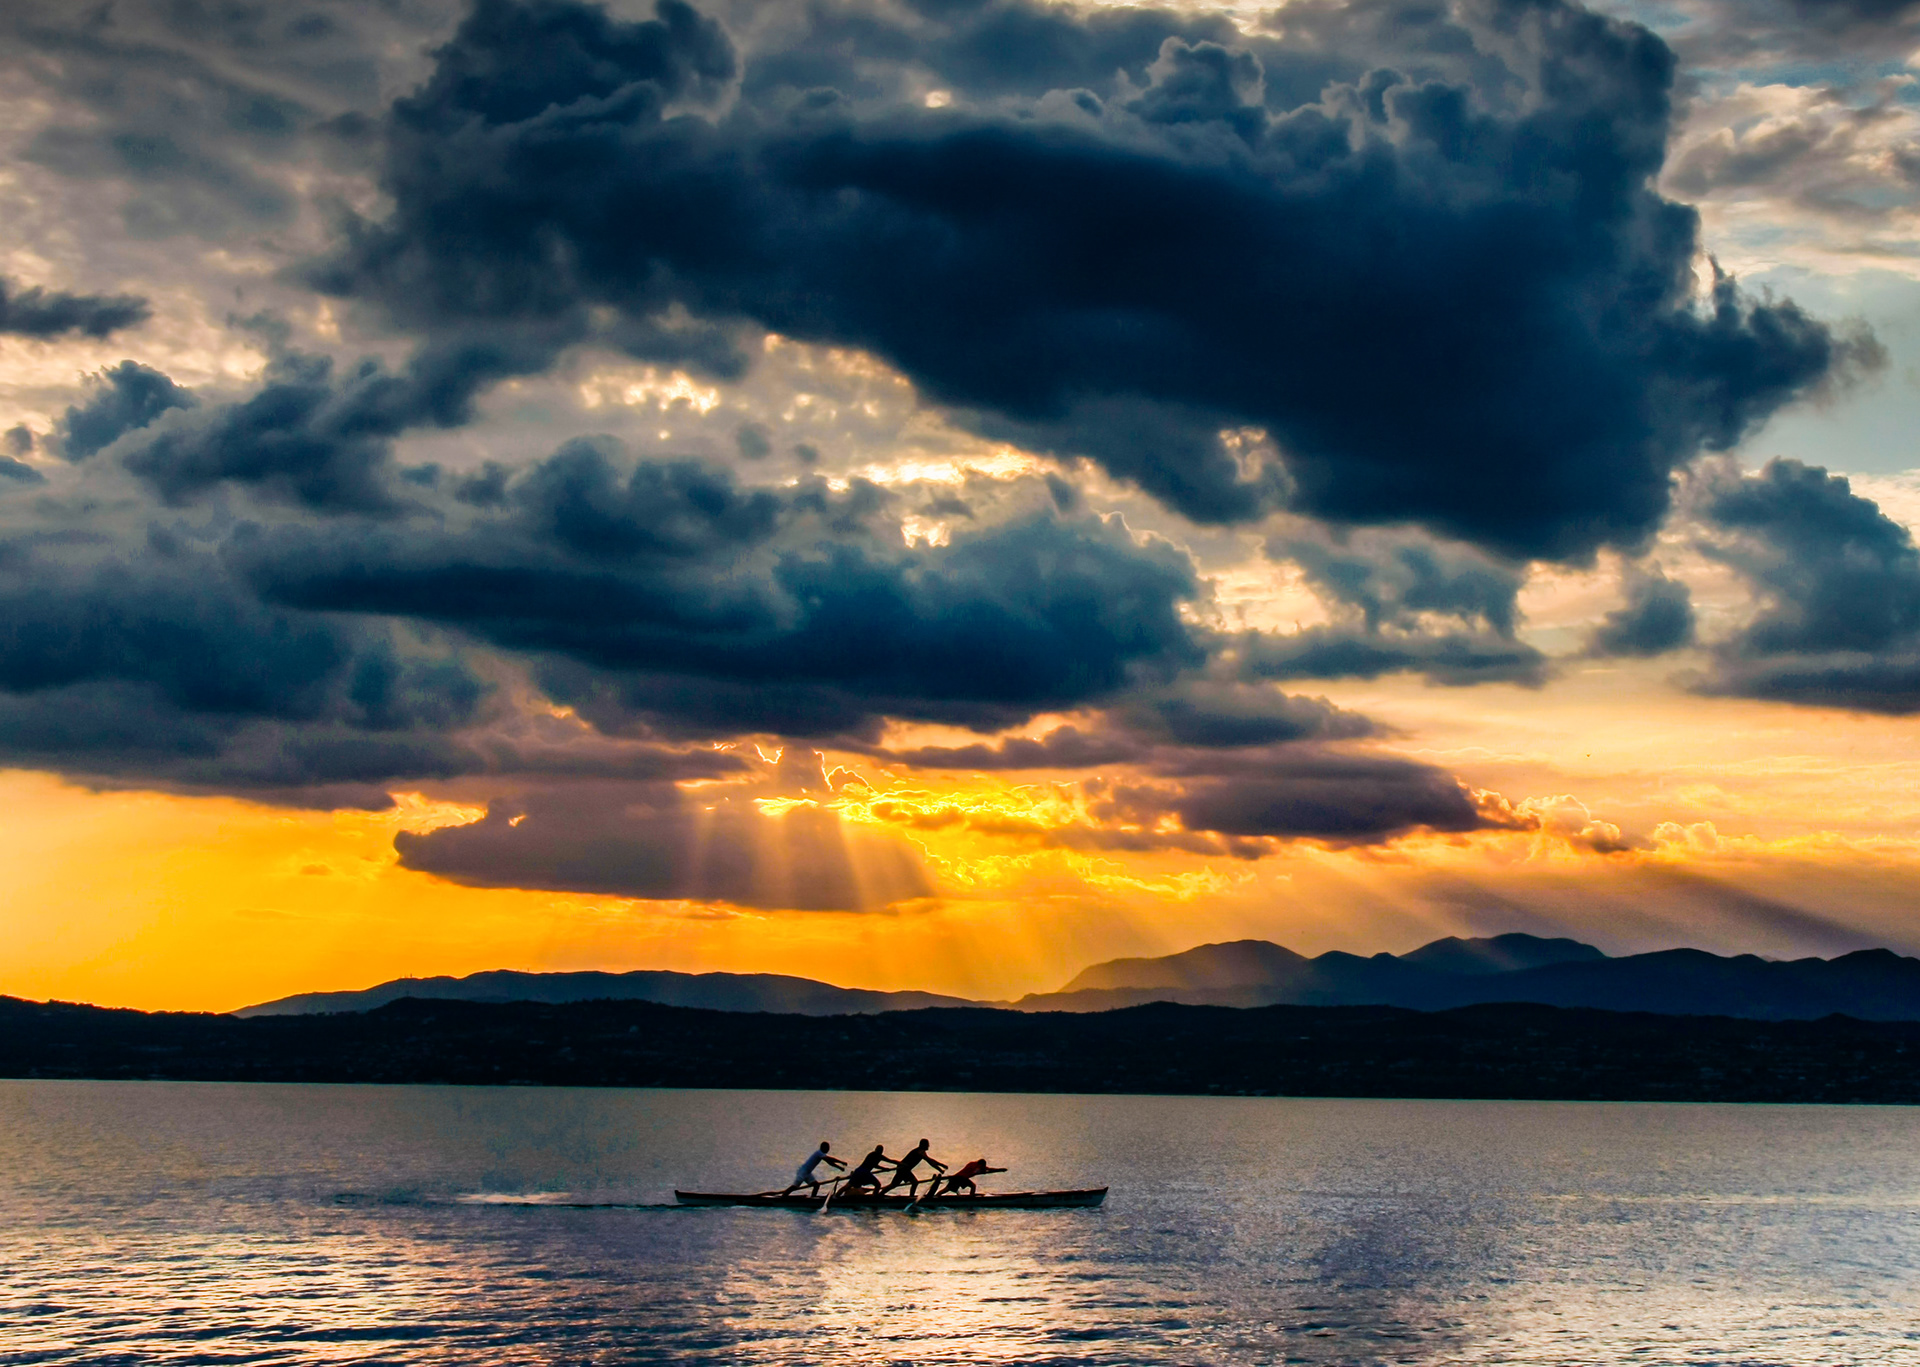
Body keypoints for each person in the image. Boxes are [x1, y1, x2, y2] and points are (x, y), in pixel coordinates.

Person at [882, 1138, 947, 1196]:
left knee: (894, 1184)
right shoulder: (920, 1152)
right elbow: (930, 1162)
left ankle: (880, 1194)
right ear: (924, 1145)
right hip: (903, 1169)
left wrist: (941, 1165)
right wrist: (940, 1169)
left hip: (904, 1169)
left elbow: (930, 1160)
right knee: (914, 1183)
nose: (929, 1146)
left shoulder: (921, 1151)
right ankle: (911, 1197)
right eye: (927, 1144)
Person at [939, 1158, 1006, 1197]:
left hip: (957, 1177)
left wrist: (1000, 1170)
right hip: (960, 1178)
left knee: (947, 1189)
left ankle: (936, 1196)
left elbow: (989, 1170)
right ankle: (971, 1199)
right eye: (983, 1166)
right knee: (973, 1186)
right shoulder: (976, 1166)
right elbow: (988, 1170)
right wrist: (1000, 1170)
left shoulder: (976, 1166)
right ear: (980, 1164)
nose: (984, 1167)